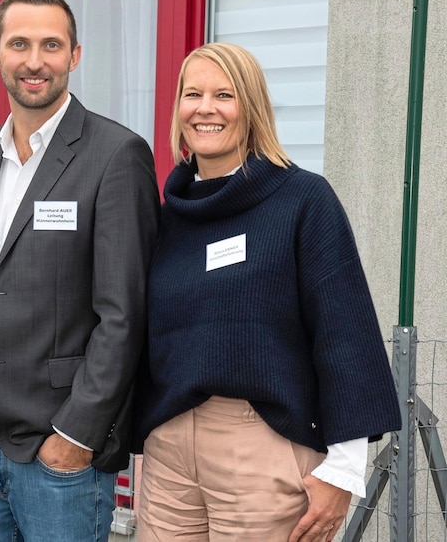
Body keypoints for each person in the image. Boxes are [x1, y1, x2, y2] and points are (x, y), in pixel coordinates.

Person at [0, 0, 159, 542]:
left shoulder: (116, 156)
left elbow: (124, 315)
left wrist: (76, 434)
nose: (35, 60)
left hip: (58, 454)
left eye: (51, 44)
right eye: (19, 43)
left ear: (75, 55)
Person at [134, 42, 401, 542]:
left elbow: (343, 332)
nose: (205, 108)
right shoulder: (168, 216)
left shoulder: (303, 201)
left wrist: (343, 468)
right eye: (192, 94)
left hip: (263, 448)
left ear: (251, 107)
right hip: (170, 454)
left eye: (224, 95)